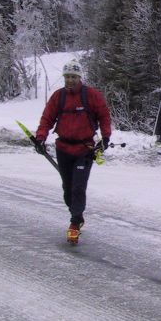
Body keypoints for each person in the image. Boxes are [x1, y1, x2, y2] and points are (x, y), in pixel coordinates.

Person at [35, 61, 112, 244]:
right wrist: (40, 137)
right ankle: (77, 214)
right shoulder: (58, 97)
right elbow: (47, 118)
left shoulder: (92, 96)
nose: (70, 80)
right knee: (68, 189)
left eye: (74, 77)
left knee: (78, 187)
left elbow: (104, 117)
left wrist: (105, 138)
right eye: (67, 77)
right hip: (63, 149)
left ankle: (75, 223)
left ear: (80, 78)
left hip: (84, 150)